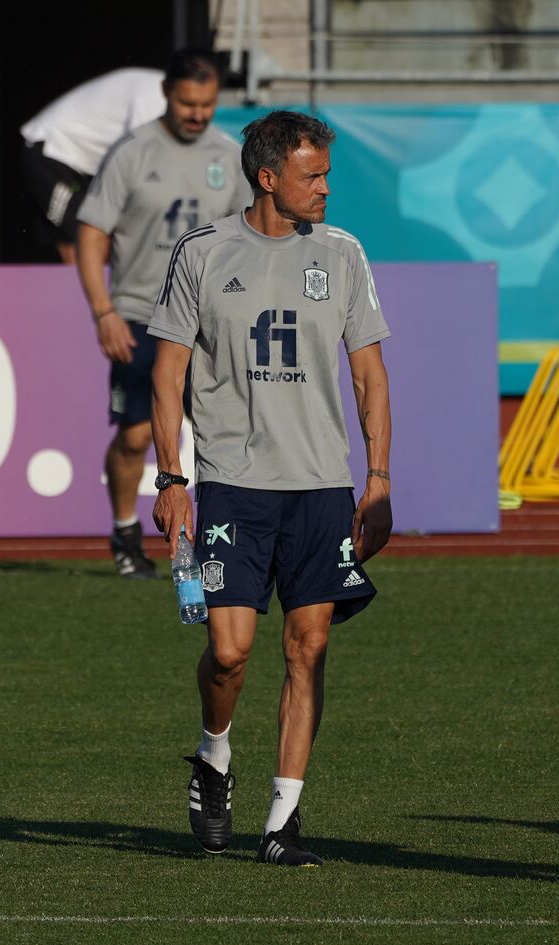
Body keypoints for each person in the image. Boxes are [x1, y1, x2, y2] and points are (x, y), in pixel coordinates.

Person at [148, 110, 393, 867]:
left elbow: (368, 373)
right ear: (267, 177)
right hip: (232, 483)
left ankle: (283, 821)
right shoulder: (202, 252)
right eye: (311, 175)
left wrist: (378, 478)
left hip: (322, 485)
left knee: (307, 647)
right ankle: (213, 754)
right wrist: (171, 477)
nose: (325, 188)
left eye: (325, 173)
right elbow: (168, 373)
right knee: (230, 651)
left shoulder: (344, 254)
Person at [75, 50, 252, 579]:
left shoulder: (229, 153)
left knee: (222, 433)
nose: (197, 113)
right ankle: (126, 531)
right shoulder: (131, 153)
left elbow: (247, 233)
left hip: (208, 320)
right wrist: (103, 311)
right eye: (186, 102)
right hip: (140, 314)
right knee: (136, 434)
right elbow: (91, 233)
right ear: (167, 96)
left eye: (206, 103)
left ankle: (219, 539)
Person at [20, 67, 166, 264]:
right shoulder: (155, 97)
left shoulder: (163, 93)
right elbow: (139, 167)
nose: (198, 114)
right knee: (81, 241)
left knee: (100, 239)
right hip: (52, 151)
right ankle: (76, 295)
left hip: (83, 167)